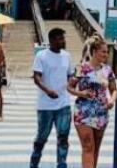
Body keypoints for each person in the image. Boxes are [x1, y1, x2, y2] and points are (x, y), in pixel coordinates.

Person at [69, 37, 117, 168]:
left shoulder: (107, 70)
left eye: (107, 52)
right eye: (103, 51)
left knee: (95, 148)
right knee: (88, 146)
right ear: (94, 51)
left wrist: (112, 101)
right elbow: (69, 87)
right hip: (83, 112)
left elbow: (114, 90)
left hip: (101, 111)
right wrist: (81, 93)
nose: (106, 54)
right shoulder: (82, 68)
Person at [31, 27, 74, 168]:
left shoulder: (67, 56)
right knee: (42, 138)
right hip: (45, 106)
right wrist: (48, 91)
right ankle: (34, 163)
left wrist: (74, 81)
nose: (63, 41)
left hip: (63, 104)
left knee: (63, 137)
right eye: (60, 38)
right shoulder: (41, 56)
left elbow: (70, 76)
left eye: (63, 38)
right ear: (52, 40)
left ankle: (62, 164)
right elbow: (36, 78)